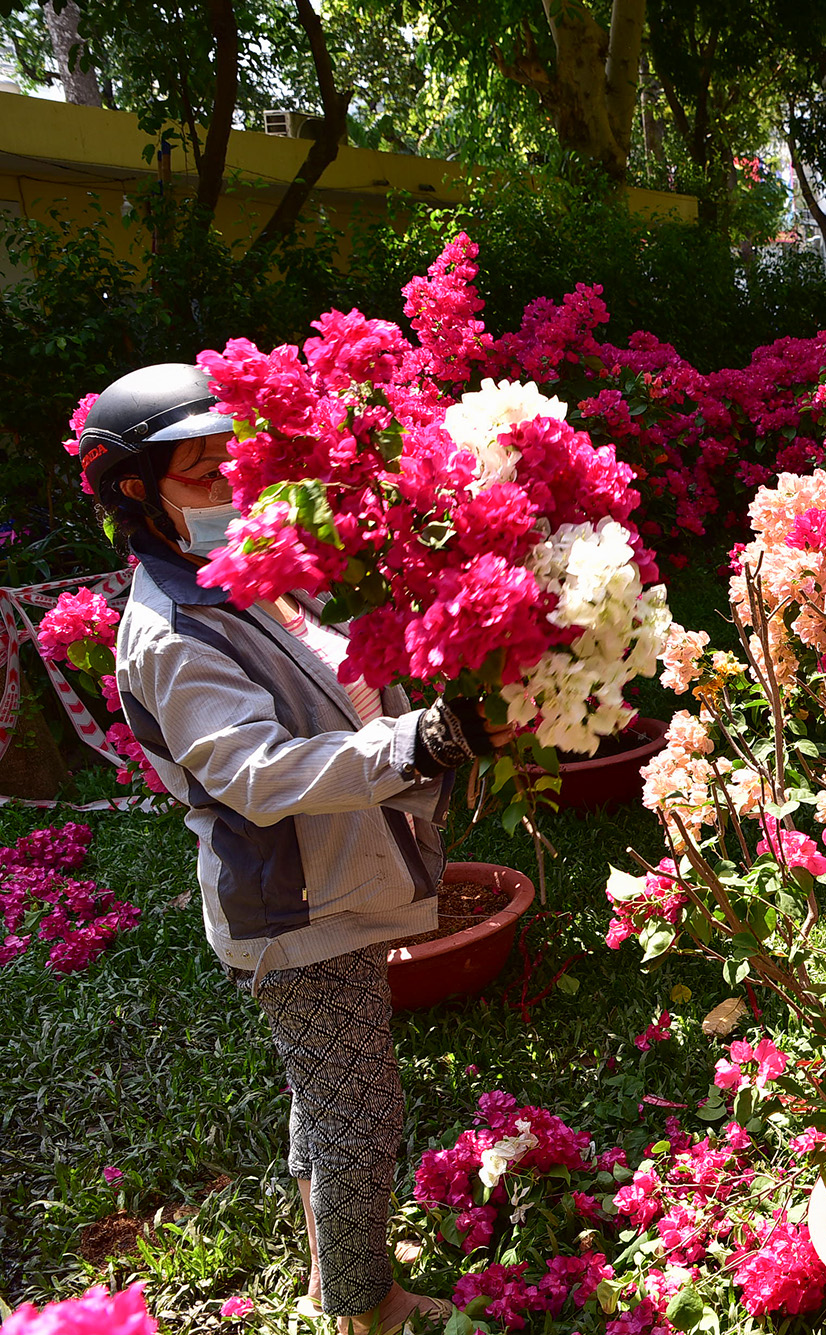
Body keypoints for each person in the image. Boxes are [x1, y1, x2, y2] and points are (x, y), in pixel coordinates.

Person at [83, 363, 508, 1334]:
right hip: (298, 914)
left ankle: (331, 1272)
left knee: (327, 1095)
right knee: (360, 1116)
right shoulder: (171, 630)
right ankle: (368, 1306)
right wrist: (422, 743)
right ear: (136, 493)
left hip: (333, 888)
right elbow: (259, 774)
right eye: (201, 474)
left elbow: (338, 679)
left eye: (237, 467)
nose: (233, 492)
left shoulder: (246, 579)